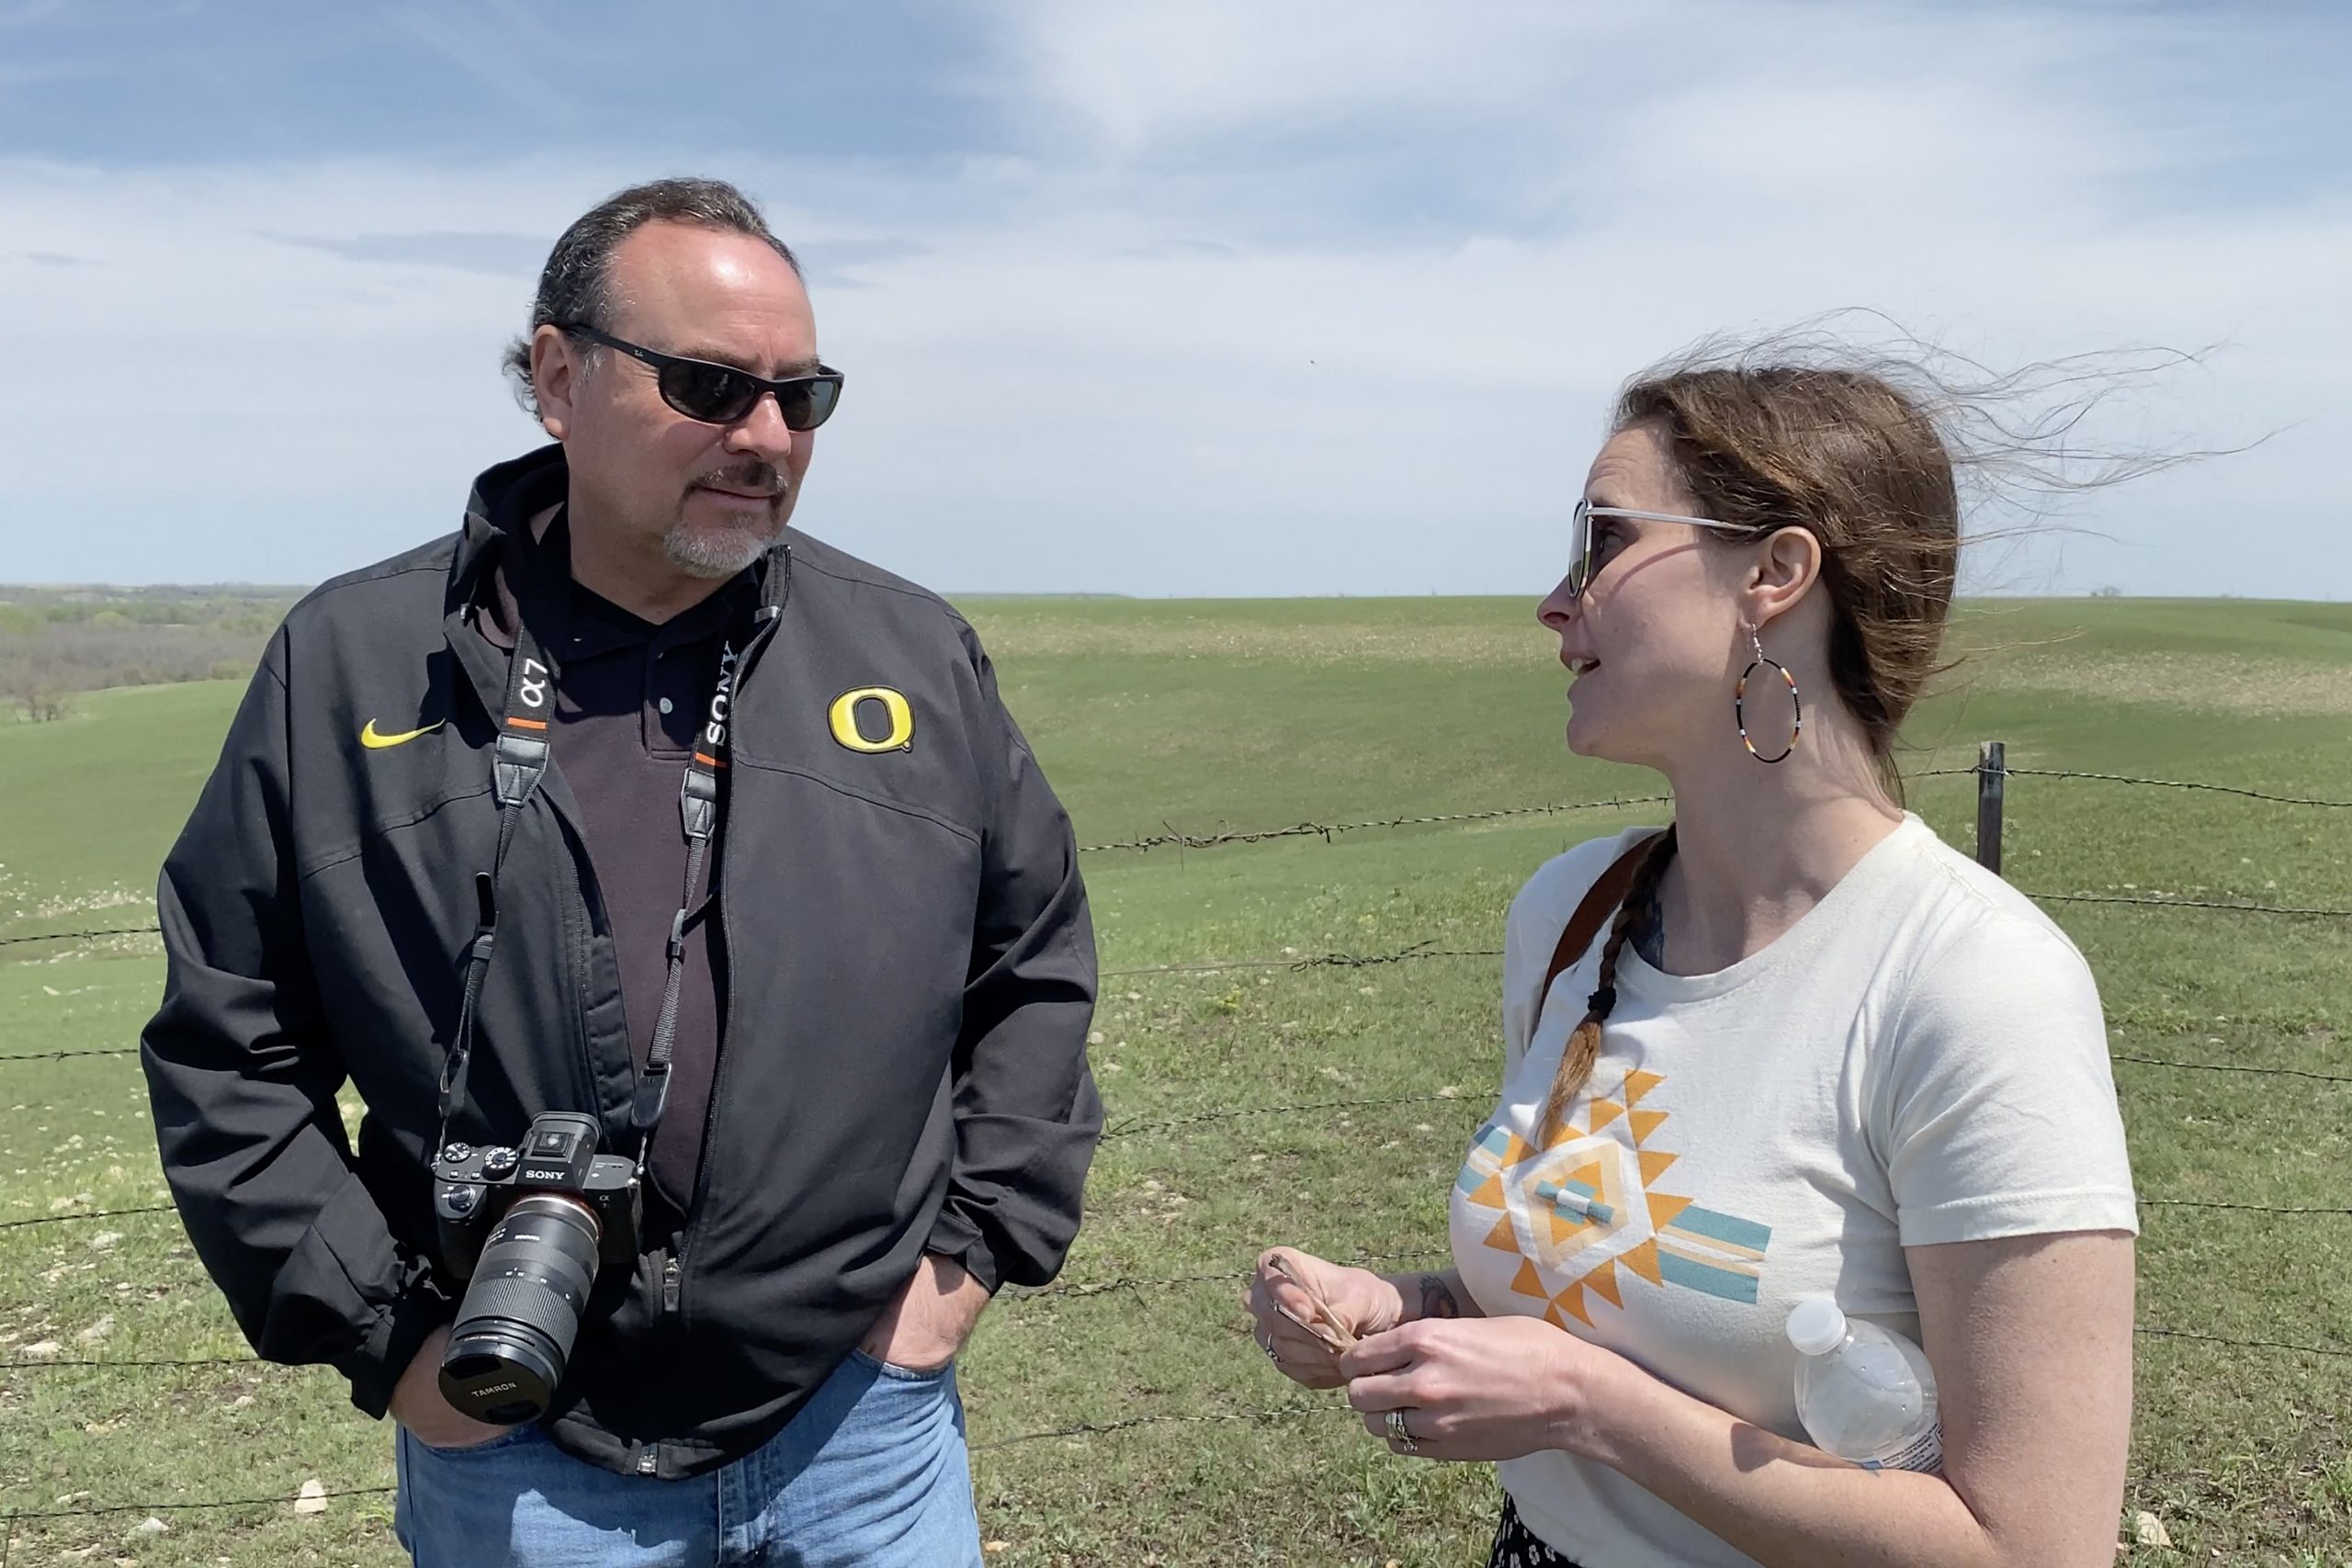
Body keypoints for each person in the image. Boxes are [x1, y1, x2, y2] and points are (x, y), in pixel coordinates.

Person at [141, 177, 1101, 1567]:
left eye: (802, 396)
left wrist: (958, 1271)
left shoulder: (910, 658)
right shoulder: (354, 664)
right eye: (711, 385)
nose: (765, 436)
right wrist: (389, 1338)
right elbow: (226, 1040)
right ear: (555, 378)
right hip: (516, 1448)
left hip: (857, 1433)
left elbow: (1036, 965)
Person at [1248, 353, 2139, 1567]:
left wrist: (1582, 1405)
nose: (1556, 603)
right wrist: (1405, 1310)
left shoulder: (1972, 986)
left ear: (1773, 574)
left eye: (1602, 541)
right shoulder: (1575, 913)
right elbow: (1612, 1299)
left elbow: (2035, 1549)